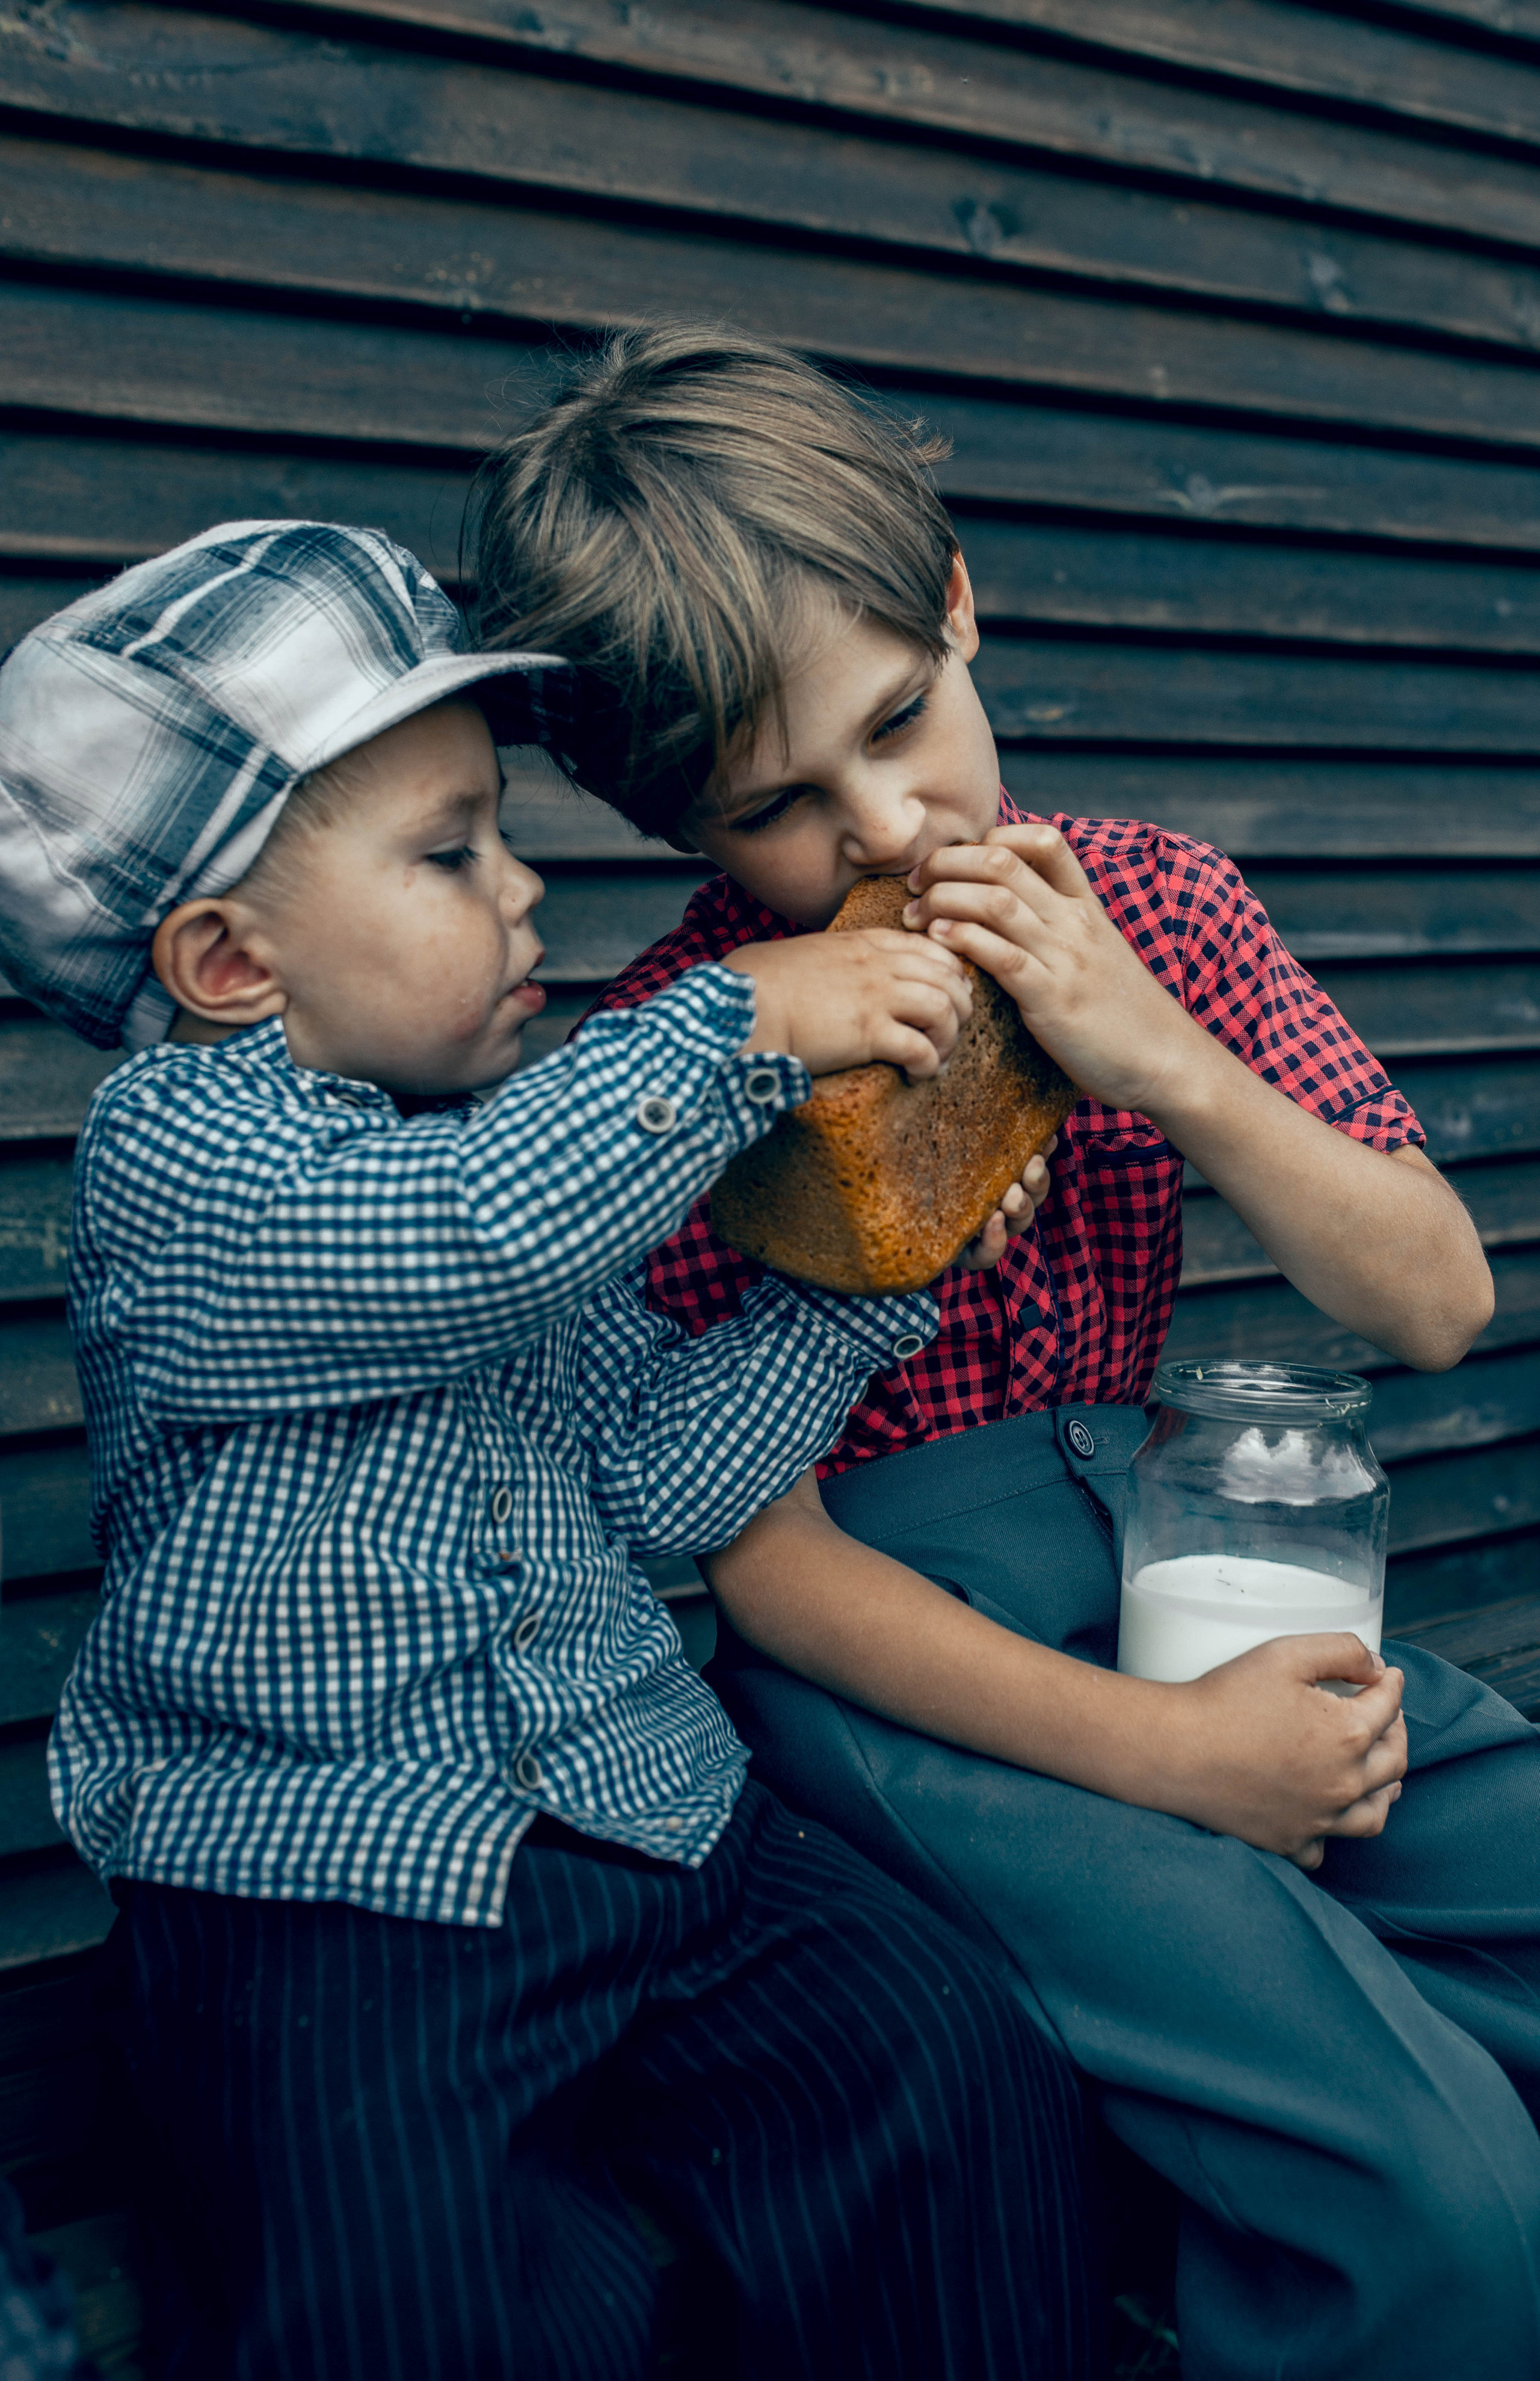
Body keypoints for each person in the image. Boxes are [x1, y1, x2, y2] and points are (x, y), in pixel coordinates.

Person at [470, 324, 1540, 2381]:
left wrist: (1157, 1056)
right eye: (781, 804)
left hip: (1173, 1564)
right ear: (676, 823)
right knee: (1444, 2199)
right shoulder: (684, 1052)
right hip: (908, 1671)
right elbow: (764, 1566)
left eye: (901, 718)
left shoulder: (1166, 905)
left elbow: (1434, 1300)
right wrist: (1179, 1765)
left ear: (957, 599)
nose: (883, 821)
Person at [0, 520, 1100, 2381]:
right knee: (415, 2290)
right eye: (450, 854)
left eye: (503, 832)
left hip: (660, 1826)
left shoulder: (519, 1142)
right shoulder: (184, 1165)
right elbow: (454, 1248)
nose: (525, 895)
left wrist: (856, 1292)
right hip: (336, 1886)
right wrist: (735, 1018)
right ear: (222, 959)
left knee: (942, 2064)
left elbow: (663, 1484)